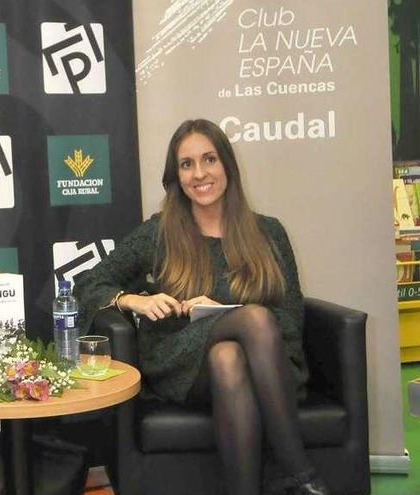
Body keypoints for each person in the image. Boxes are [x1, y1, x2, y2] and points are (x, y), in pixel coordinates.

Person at [74, 119, 328, 495]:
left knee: (229, 355)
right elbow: (88, 284)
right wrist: (135, 300)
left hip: (267, 364)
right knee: (252, 320)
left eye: (209, 159)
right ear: (176, 176)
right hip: (179, 362)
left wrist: (225, 312)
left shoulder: (269, 232)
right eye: (186, 164)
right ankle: (299, 474)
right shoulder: (159, 232)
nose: (200, 174)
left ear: (227, 164)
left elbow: (290, 316)